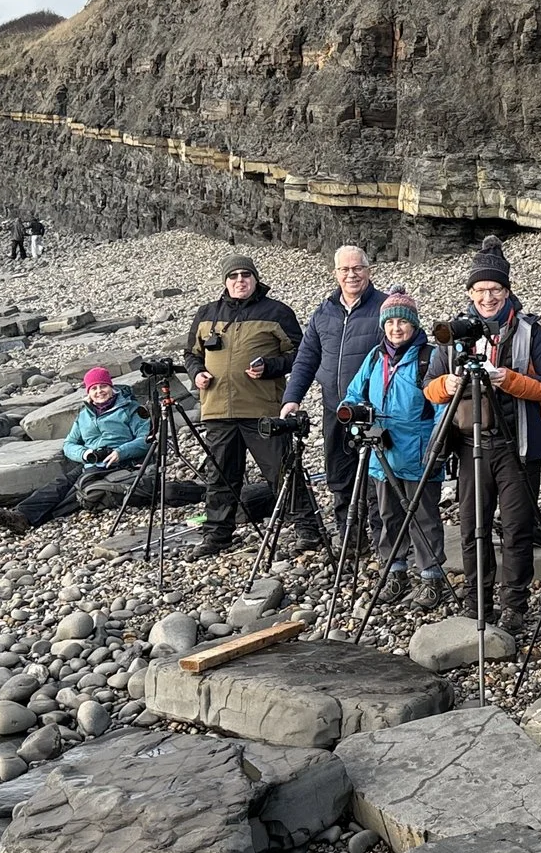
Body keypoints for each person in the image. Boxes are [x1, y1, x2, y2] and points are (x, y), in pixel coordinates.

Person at [424, 238, 541, 633]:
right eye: (480, 290)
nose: (487, 297)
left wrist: (511, 381)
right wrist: (446, 386)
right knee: (472, 527)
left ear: (507, 291)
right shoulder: (454, 335)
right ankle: (477, 600)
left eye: (495, 290)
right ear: (470, 292)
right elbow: (428, 387)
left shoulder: (529, 332)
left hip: (516, 445)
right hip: (471, 445)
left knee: (518, 528)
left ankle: (514, 605)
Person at [183, 255, 319, 558]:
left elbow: (302, 354)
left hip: (262, 409)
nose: (240, 280)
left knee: (282, 470)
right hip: (218, 410)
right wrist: (197, 373)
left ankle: (308, 529)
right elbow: (190, 354)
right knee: (220, 476)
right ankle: (217, 534)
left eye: (246, 275)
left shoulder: (277, 312)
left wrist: (271, 366)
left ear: (255, 279)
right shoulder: (206, 314)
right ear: (225, 281)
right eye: (233, 276)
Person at [339, 287, 447, 607]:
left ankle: (430, 579)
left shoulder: (429, 357)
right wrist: (353, 415)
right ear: (383, 326)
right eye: (390, 322)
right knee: (388, 516)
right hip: (380, 450)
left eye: (402, 321)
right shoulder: (375, 357)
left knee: (424, 518)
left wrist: (437, 446)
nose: (396, 328)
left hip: (418, 452)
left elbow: (442, 404)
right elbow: (353, 395)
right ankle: (396, 574)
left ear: (414, 325)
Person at [281, 244, 386, 538]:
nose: (352, 275)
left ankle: (383, 541)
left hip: (375, 412)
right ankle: (351, 540)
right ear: (335, 273)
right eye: (345, 269)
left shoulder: (385, 307)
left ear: (368, 271)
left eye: (358, 268)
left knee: (377, 478)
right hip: (335, 409)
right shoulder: (324, 311)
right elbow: (306, 358)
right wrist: (292, 398)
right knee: (340, 476)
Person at [0, 367, 151, 532]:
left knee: (77, 490)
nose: (99, 391)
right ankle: (20, 513)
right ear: (88, 392)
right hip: (91, 462)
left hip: (121, 462)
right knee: (59, 484)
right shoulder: (84, 415)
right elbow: (69, 444)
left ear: (111, 387)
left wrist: (121, 452)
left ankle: (30, 521)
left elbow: (147, 439)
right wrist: (84, 454)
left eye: (103, 386)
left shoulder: (132, 409)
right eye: (94, 388)